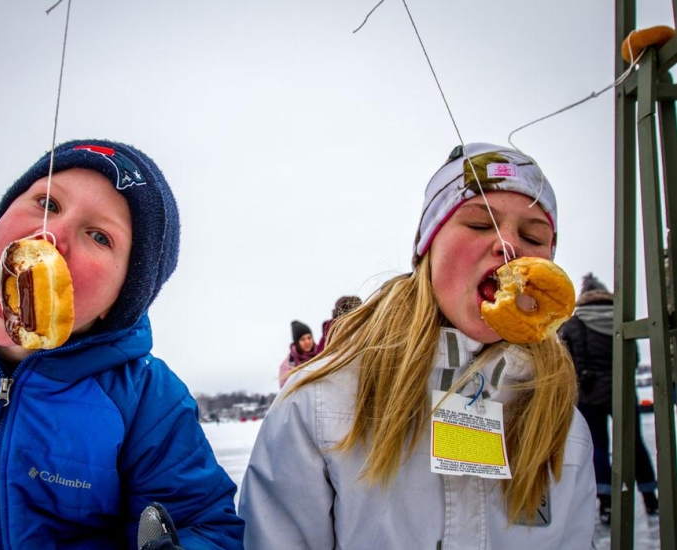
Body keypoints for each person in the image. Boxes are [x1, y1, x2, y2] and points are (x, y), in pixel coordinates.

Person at [0, 139, 244, 548]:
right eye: (47, 203)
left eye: (98, 236)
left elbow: (205, 525)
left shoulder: (146, 398)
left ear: (120, 300)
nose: (48, 235)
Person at [240, 142, 595, 548]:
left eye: (533, 235)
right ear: (427, 246)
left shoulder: (563, 425)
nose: (509, 246)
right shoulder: (320, 404)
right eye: (480, 225)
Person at [559, 273, 659, 524]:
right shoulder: (621, 319)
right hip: (621, 389)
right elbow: (633, 359)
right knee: (635, 443)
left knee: (598, 446)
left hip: (589, 393)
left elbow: (565, 360)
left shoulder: (574, 323)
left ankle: (606, 504)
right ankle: (651, 497)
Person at [278, 320, 317, 388]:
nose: (307, 342)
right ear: (297, 342)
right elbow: (285, 390)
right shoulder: (288, 364)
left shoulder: (321, 354)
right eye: (303, 339)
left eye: (309, 338)